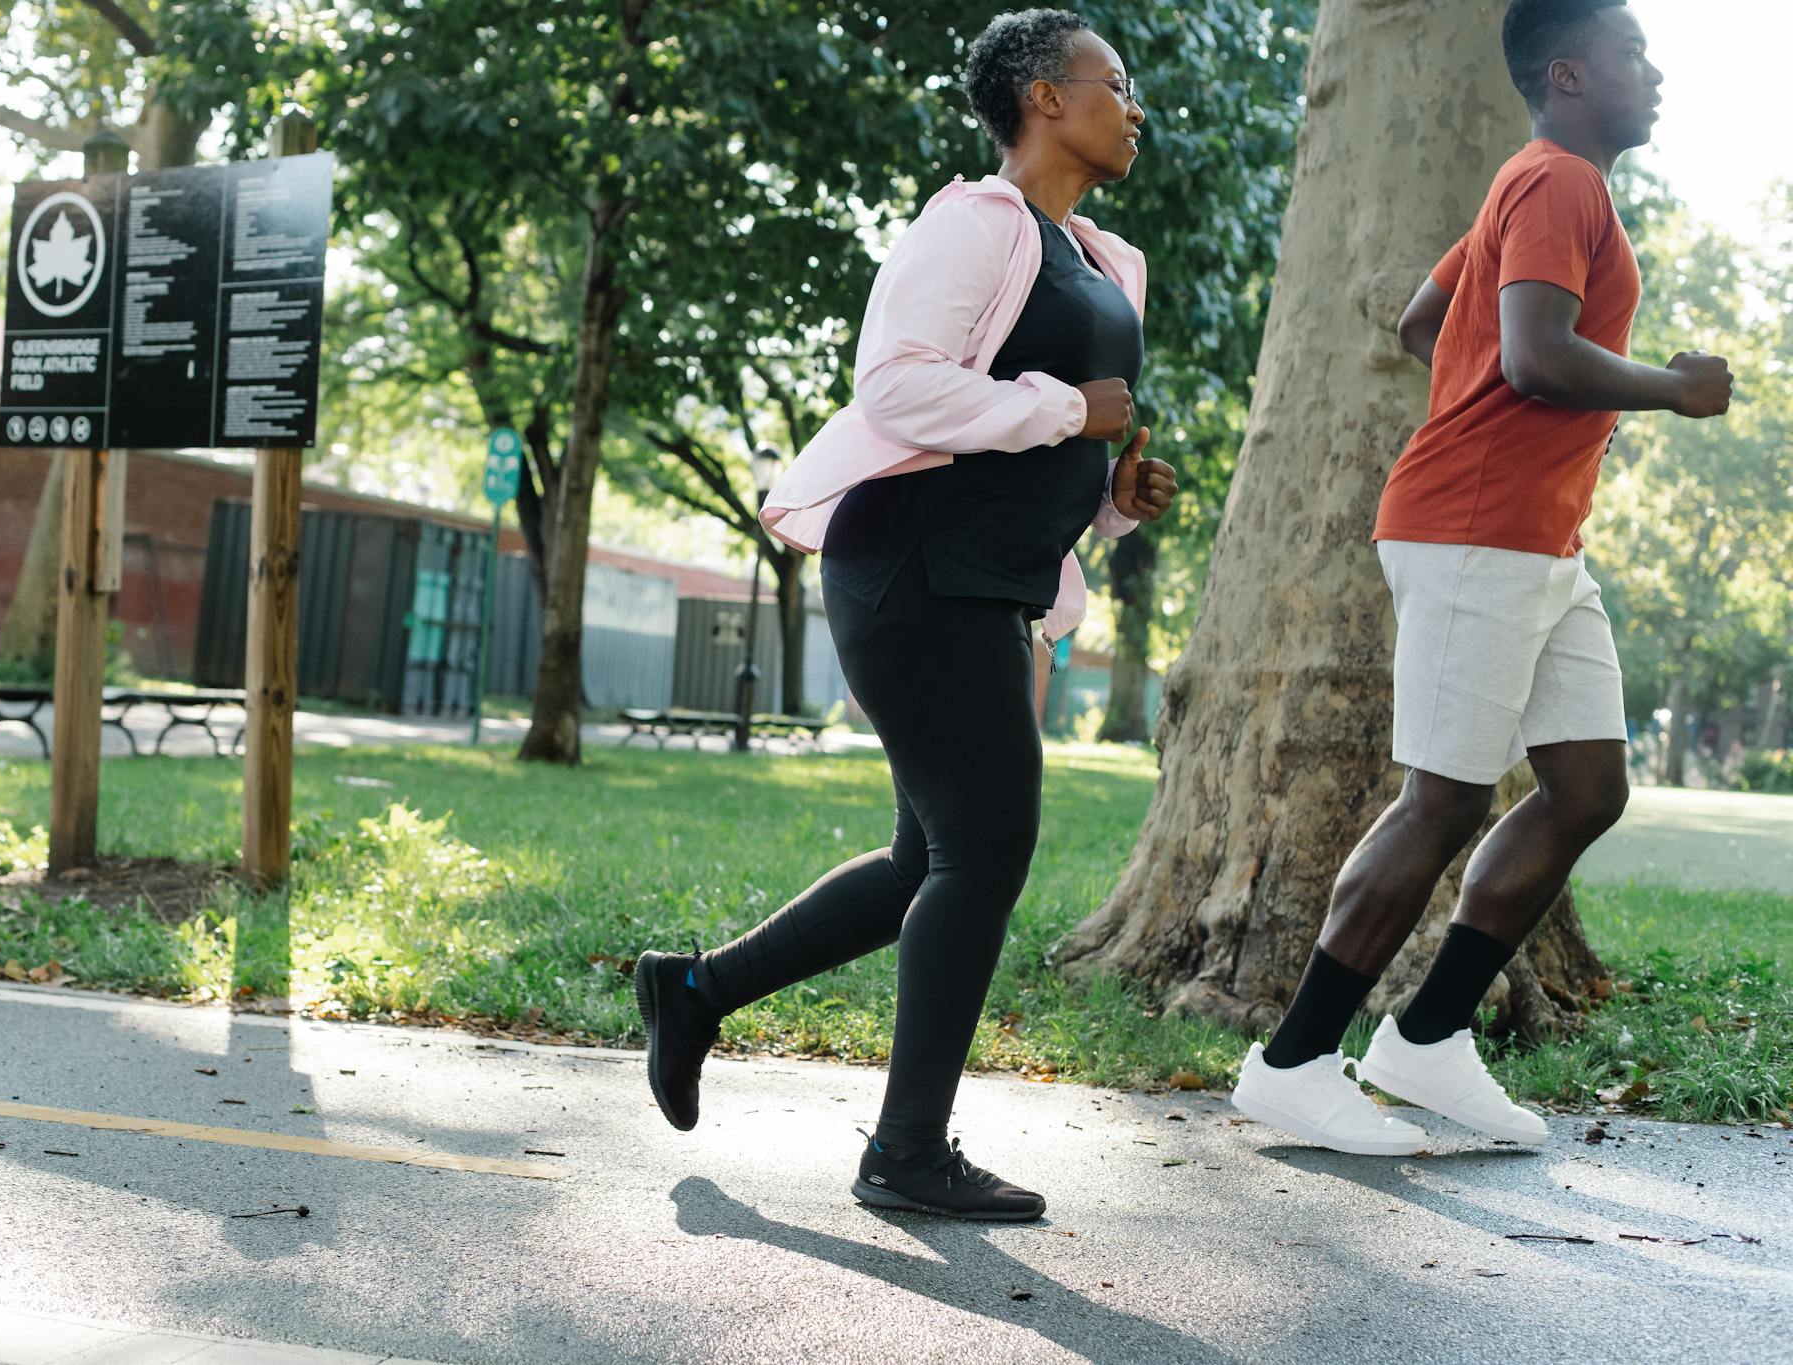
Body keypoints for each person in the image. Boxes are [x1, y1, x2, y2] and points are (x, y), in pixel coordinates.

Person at [633, 8, 1178, 1220]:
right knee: (983, 852)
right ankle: (904, 1155)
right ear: (1043, 97)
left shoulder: (1102, 257)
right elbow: (899, 387)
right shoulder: (970, 227)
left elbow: (1031, 453)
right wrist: (1067, 414)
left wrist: (1113, 500)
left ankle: (696, 991)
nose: (1130, 106)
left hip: (989, 579)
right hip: (909, 568)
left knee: (926, 858)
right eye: (1113, 82)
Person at [1231, 0, 1732, 1156]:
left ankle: (1424, 1041)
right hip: (1475, 532)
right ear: (1566, 75)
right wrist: (1669, 387)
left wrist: (1493, 409)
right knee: (1444, 797)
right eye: (1629, 55)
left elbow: (1426, 322)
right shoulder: (1554, 182)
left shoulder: (1539, 183)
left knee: (1585, 788)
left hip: (1536, 538)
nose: (1651, 75)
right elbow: (1532, 354)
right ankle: (1292, 1061)